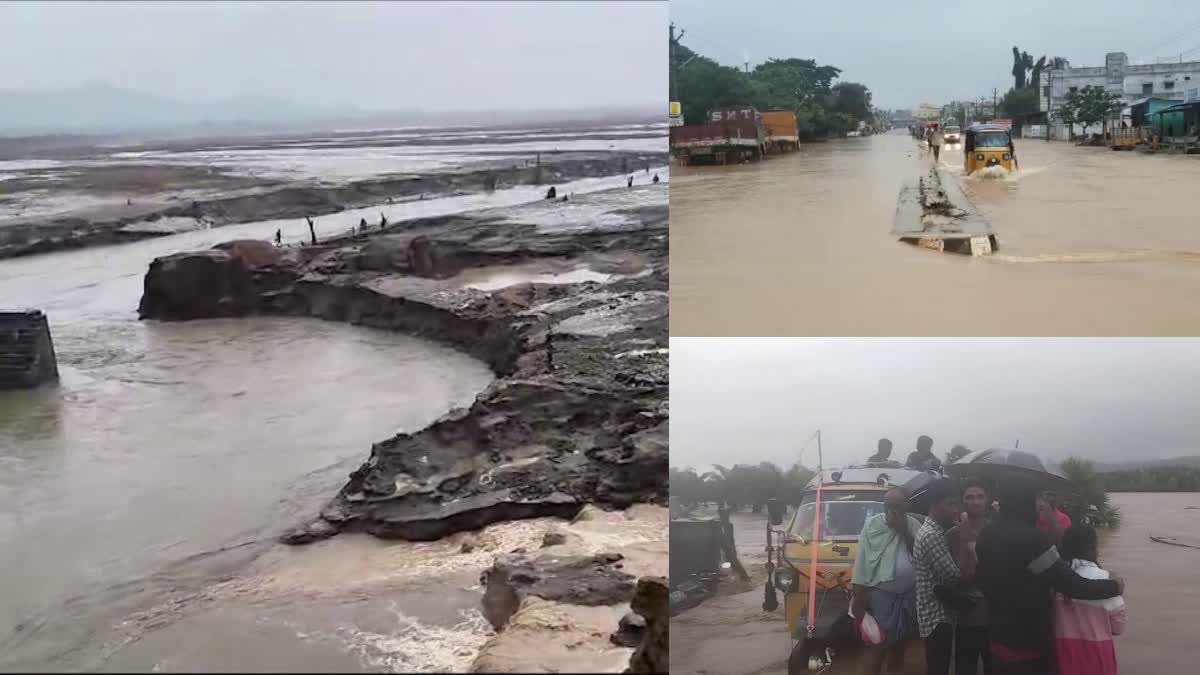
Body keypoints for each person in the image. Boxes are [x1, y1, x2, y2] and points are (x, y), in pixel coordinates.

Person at [976, 481, 1123, 675]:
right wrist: (1113, 587)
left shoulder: (986, 534)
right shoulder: (1033, 540)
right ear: (1026, 502)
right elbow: (1070, 584)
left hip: (996, 636)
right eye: (1037, 498)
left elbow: (981, 579)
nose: (1039, 504)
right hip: (1030, 642)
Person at [851, 487, 924, 675]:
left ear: (908, 505)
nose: (891, 511)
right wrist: (858, 596)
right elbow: (862, 560)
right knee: (878, 644)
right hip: (881, 596)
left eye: (896, 506)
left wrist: (903, 530)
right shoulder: (873, 525)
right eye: (887, 506)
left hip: (909, 595)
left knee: (902, 643)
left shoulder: (914, 525)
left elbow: (922, 555)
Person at [1053, 525, 1126, 675]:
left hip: (1061, 655)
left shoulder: (1054, 579)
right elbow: (1118, 627)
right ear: (1093, 547)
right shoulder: (1107, 580)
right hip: (1098, 657)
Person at [912, 478, 963, 675]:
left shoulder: (935, 531)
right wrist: (965, 541)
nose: (956, 510)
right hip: (937, 615)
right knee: (938, 668)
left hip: (935, 613)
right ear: (935, 504)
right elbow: (954, 577)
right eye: (951, 503)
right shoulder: (932, 535)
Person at [946, 479, 993, 675]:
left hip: (994, 612)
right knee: (965, 666)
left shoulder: (996, 531)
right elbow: (954, 575)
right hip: (965, 615)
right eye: (970, 497)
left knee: (994, 666)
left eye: (980, 497)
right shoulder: (952, 535)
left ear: (988, 500)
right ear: (962, 502)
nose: (975, 502)